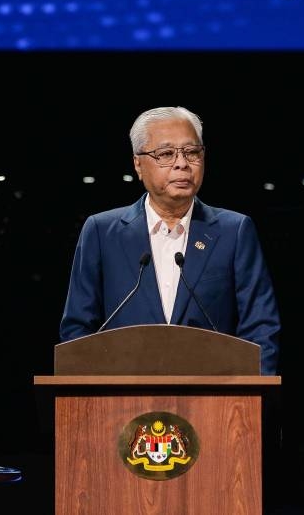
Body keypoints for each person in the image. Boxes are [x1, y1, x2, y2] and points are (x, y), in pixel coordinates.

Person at [59, 106, 281, 375]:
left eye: (191, 152)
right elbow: (77, 331)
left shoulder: (234, 231)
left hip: (216, 403)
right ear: (138, 165)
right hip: (122, 406)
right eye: (165, 154)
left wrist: (252, 403)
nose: (182, 164)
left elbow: (261, 328)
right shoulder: (101, 232)